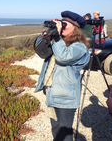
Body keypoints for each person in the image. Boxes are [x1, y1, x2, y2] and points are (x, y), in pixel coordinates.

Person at [35, 11, 90, 141]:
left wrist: (57, 37)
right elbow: (40, 50)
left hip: (66, 98)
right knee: (55, 130)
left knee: (65, 134)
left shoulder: (79, 47)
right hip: (52, 92)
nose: (62, 27)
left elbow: (63, 57)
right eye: (61, 24)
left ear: (75, 29)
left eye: (65, 25)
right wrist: (49, 32)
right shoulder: (58, 42)